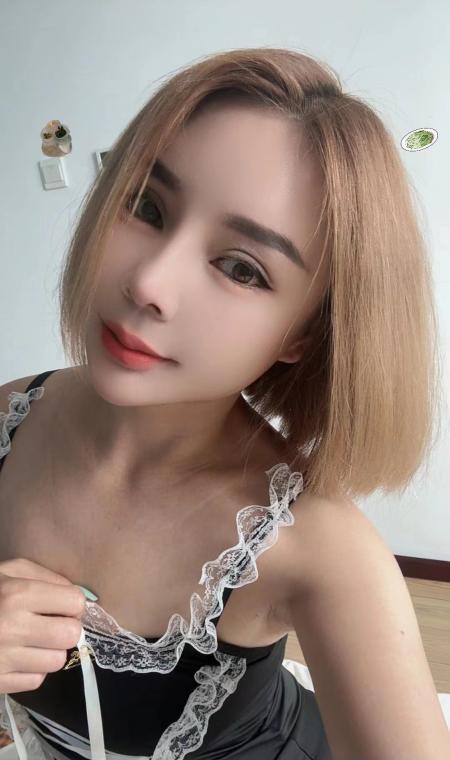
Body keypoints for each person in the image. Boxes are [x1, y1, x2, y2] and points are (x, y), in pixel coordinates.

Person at [0, 46, 443, 760]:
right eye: (146, 206)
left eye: (241, 268)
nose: (150, 282)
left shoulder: (318, 549)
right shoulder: (9, 416)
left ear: (304, 334)